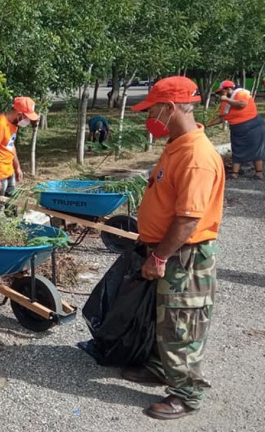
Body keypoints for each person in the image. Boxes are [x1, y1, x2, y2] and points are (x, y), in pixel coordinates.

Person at [125, 76, 224, 420]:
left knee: (182, 323)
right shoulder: (176, 144)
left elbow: (187, 219)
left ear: (168, 108)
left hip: (184, 256)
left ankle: (186, 394)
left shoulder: (197, 156)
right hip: (165, 250)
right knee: (162, 315)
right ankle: (160, 366)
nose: (147, 116)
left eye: (151, 109)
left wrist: (160, 256)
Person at [0, 97, 37, 213]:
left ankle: (11, 230)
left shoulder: (13, 125)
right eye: (27, 118)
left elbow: (11, 146)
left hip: (9, 171)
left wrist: (17, 167)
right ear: (19, 114)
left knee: (12, 206)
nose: (27, 121)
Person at [206, 80, 265, 181]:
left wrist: (225, 99)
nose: (221, 94)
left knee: (256, 148)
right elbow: (222, 118)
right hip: (237, 128)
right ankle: (234, 174)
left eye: (222, 92)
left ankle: (259, 174)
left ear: (229, 89)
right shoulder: (226, 102)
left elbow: (242, 104)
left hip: (253, 126)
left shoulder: (241, 93)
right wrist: (207, 125)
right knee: (237, 149)